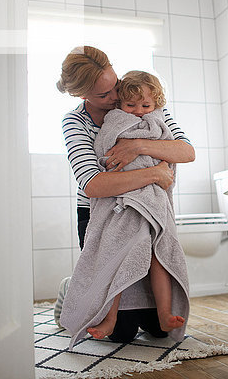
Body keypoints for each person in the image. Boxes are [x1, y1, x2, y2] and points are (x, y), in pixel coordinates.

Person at [55, 46, 195, 343]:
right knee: (121, 333)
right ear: (83, 96)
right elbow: (92, 184)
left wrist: (139, 146)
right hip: (103, 213)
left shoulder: (141, 102)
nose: (116, 98)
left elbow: (185, 150)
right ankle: (74, 288)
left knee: (159, 330)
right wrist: (155, 174)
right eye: (104, 95)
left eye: (114, 85)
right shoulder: (75, 122)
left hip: (146, 207)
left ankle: (143, 305)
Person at [84, 70, 186, 339]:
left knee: (158, 256)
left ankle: (164, 314)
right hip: (122, 203)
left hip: (153, 201)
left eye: (146, 106)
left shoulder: (161, 119)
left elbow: (185, 152)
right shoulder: (112, 121)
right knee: (116, 255)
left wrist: (140, 147)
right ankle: (109, 317)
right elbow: (103, 157)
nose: (139, 112)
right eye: (131, 106)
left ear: (156, 103)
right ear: (120, 104)